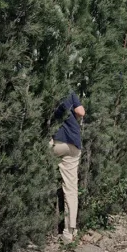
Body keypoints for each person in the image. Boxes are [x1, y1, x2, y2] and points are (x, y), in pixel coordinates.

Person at [49, 91, 85, 243]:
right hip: (74, 144)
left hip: (56, 142)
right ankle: (69, 233)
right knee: (71, 189)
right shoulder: (70, 93)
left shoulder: (49, 88)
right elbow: (81, 112)